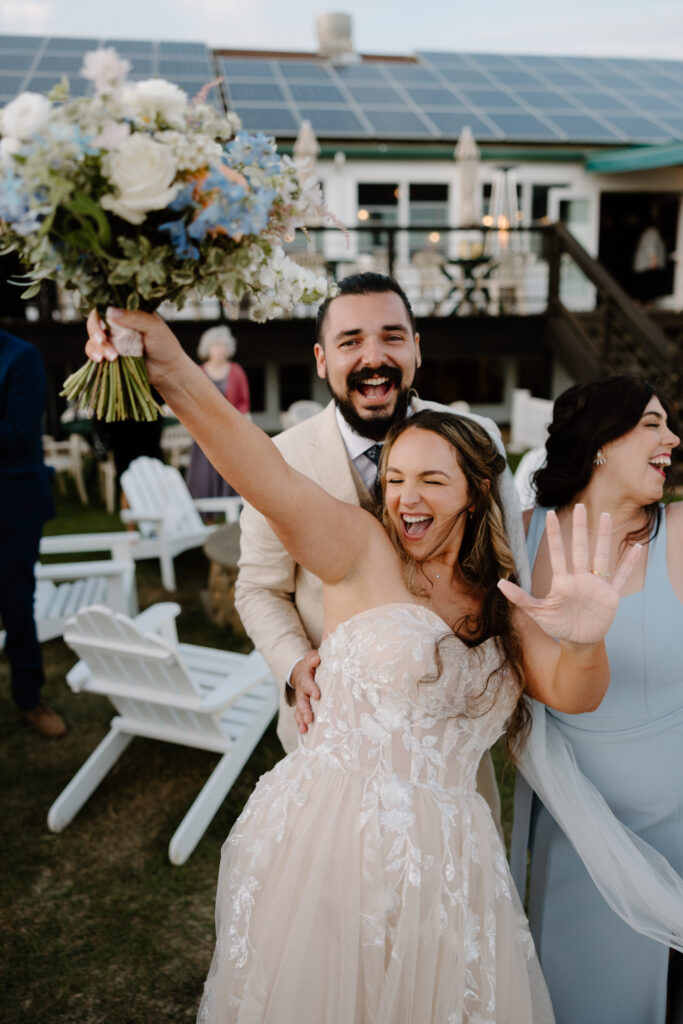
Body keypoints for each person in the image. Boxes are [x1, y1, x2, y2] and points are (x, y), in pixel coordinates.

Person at [87, 308, 642, 1022]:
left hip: (452, 867)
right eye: (396, 478)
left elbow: (574, 691)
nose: (406, 498)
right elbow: (254, 463)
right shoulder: (359, 549)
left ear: (475, 492)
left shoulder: (505, 607)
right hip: (332, 844)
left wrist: (584, 639)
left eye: (432, 481)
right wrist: (166, 364)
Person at [234, 272, 529, 830]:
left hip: (448, 739)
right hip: (332, 734)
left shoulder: (476, 436)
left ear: (417, 348)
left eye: (393, 337)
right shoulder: (281, 459)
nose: (374, 357)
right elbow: (258, 588)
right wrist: (297, 665)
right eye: (351, 342)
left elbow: (509, 566)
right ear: (322, 359)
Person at [508, 376, 683, 1024]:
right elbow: (556, 690)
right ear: (599, 443)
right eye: (651, 423)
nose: (671, 439)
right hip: (583, 831)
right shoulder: (521, 539)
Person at [0, 328, 66, 738]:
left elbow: (19, 435)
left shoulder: (20, 357)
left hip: (12, 507)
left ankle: (29, 698)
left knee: (16, 606)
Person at [185, 324, 250, 500]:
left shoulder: (236, 371)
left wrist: (234, 421)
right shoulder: (199, 372)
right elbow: (193, 401)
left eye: (223, 345)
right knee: (204, 469)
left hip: (230, 429)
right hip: (204, 430)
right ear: (208, 348)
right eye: (216, 345)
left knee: (232, 467)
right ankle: (205, 511)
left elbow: (244, 403)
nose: (220, 349)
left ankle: (231, 507)